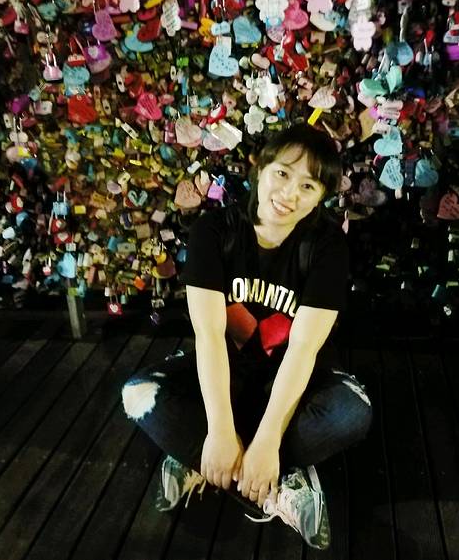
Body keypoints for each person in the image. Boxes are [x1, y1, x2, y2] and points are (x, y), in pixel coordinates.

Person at [121, 123, 372, 550]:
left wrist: (269, 439)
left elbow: (303, 350)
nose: (289, 194)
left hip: (291, 382)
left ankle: (213, 460)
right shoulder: (214, 231)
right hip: (226, 375)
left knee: (352, 413)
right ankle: (255, 471)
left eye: (308, 186)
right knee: (137, 394)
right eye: (283, 173)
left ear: (321, 196)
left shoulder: (327, 246)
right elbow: (209, 337)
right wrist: (220, 429)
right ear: (260, 168)